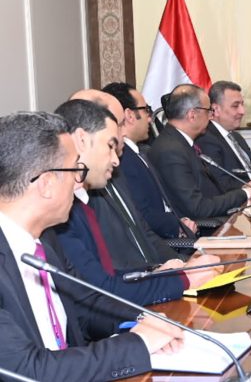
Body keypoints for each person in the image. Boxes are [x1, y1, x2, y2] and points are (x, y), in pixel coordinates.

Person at [0, 111, 183, 381]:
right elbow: (27, 371)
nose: (79, 182)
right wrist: (138, 344)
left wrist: (144, 320)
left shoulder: (47, 240)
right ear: (46, 184)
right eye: (76, 170)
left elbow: (85, 306)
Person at [54, 100, 218, 306]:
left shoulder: (90, 195)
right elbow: (100, 293)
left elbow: (110, 276)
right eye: (110, 145)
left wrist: (171, 270)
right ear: (81, 139)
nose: (116, 160)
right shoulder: (62, 212)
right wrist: (181, 279)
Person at [148, 84, 251, 219]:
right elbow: (198, 208)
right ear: (192, 115)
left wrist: (247, 187)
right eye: (208, 111)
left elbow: (214, 191)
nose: (211, 116)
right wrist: (246, 193)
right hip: (208, 226)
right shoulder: (171, 151)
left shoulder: (181, 143)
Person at [103, 82, 197, 239]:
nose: (150, 118)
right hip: (164, 242)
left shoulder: (141, 152)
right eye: (146, 110)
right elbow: (142, 215)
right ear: (130, 115)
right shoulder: (122, 160)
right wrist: (177, 226)